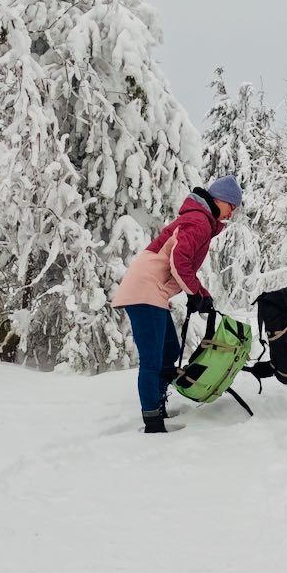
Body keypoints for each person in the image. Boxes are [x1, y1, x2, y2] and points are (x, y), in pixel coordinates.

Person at [112, 175, 243, 433]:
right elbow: (179, 261)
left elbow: (183, 266)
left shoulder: (199, 219)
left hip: (152, 292)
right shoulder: (198, 220)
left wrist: (202, 295)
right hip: (145, 291)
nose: (232, 212)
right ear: (219, 200)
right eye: (231, 205)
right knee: (152, 359)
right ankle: (153, 420)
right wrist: (195, 294)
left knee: (169, 351)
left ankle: (158, 406)